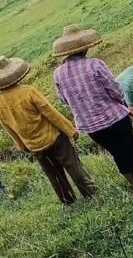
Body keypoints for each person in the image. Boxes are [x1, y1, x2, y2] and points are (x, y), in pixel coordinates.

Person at [52, 24, 133, 198]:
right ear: (85, 47)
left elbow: (63, 100)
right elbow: (116, 91)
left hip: (91, 127)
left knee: (118, 155)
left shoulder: (58, 73)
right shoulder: (95, 64)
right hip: (115, 119)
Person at [0, 55, 95, 205]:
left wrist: (21, 145)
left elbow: (8, 128)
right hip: (54, 137)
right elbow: (50, 113)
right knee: (72, 165)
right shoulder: (28, 91)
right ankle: (90, 193)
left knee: (54, 174)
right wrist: (70, 130)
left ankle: (68, 201)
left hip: (33, 145)